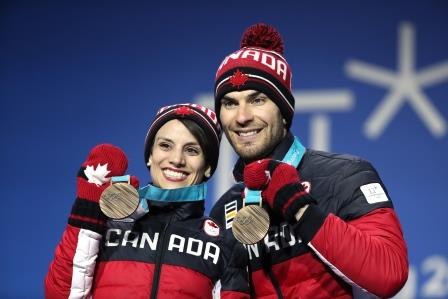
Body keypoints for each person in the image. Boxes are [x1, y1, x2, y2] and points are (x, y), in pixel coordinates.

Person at [210, 23, 409, 298]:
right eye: (230, 103)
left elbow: (389, 274)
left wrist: (301, 210)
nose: (242, 117)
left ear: (283, 111)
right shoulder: (225, 210)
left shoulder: (345, 175)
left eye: (257, 100)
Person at [45, 103, 250, 298]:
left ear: (207, 167)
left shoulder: (223, 244)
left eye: (192, 150)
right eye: (165, 145)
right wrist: (88, 209)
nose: (177, 159)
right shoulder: (106, 226)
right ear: (150, 155)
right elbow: (63, 295)